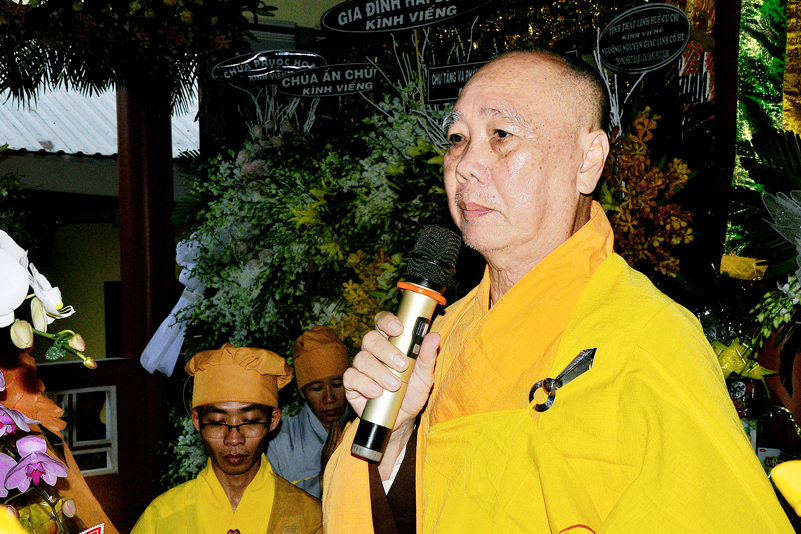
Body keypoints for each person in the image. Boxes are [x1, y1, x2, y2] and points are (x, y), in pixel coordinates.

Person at [322, 49, 795, 533]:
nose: (465, 165)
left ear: (588, 160)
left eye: (501, 135)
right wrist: (396, 437)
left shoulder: (649, 338)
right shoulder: (437, 337)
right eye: (457, 138)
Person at [131, 343, 322, 534]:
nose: (234, 439)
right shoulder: (163, 516)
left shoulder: (307, 514)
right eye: (217, 422)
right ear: (197, 421)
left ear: (273, 421)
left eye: (249, 421)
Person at [268, 325, 351, 499]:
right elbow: (275, 505)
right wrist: (323, 479)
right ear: (302, 393)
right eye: (317, 389)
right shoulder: (279, 442)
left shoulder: (366, 426)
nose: (329, 398)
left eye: (337, 385)